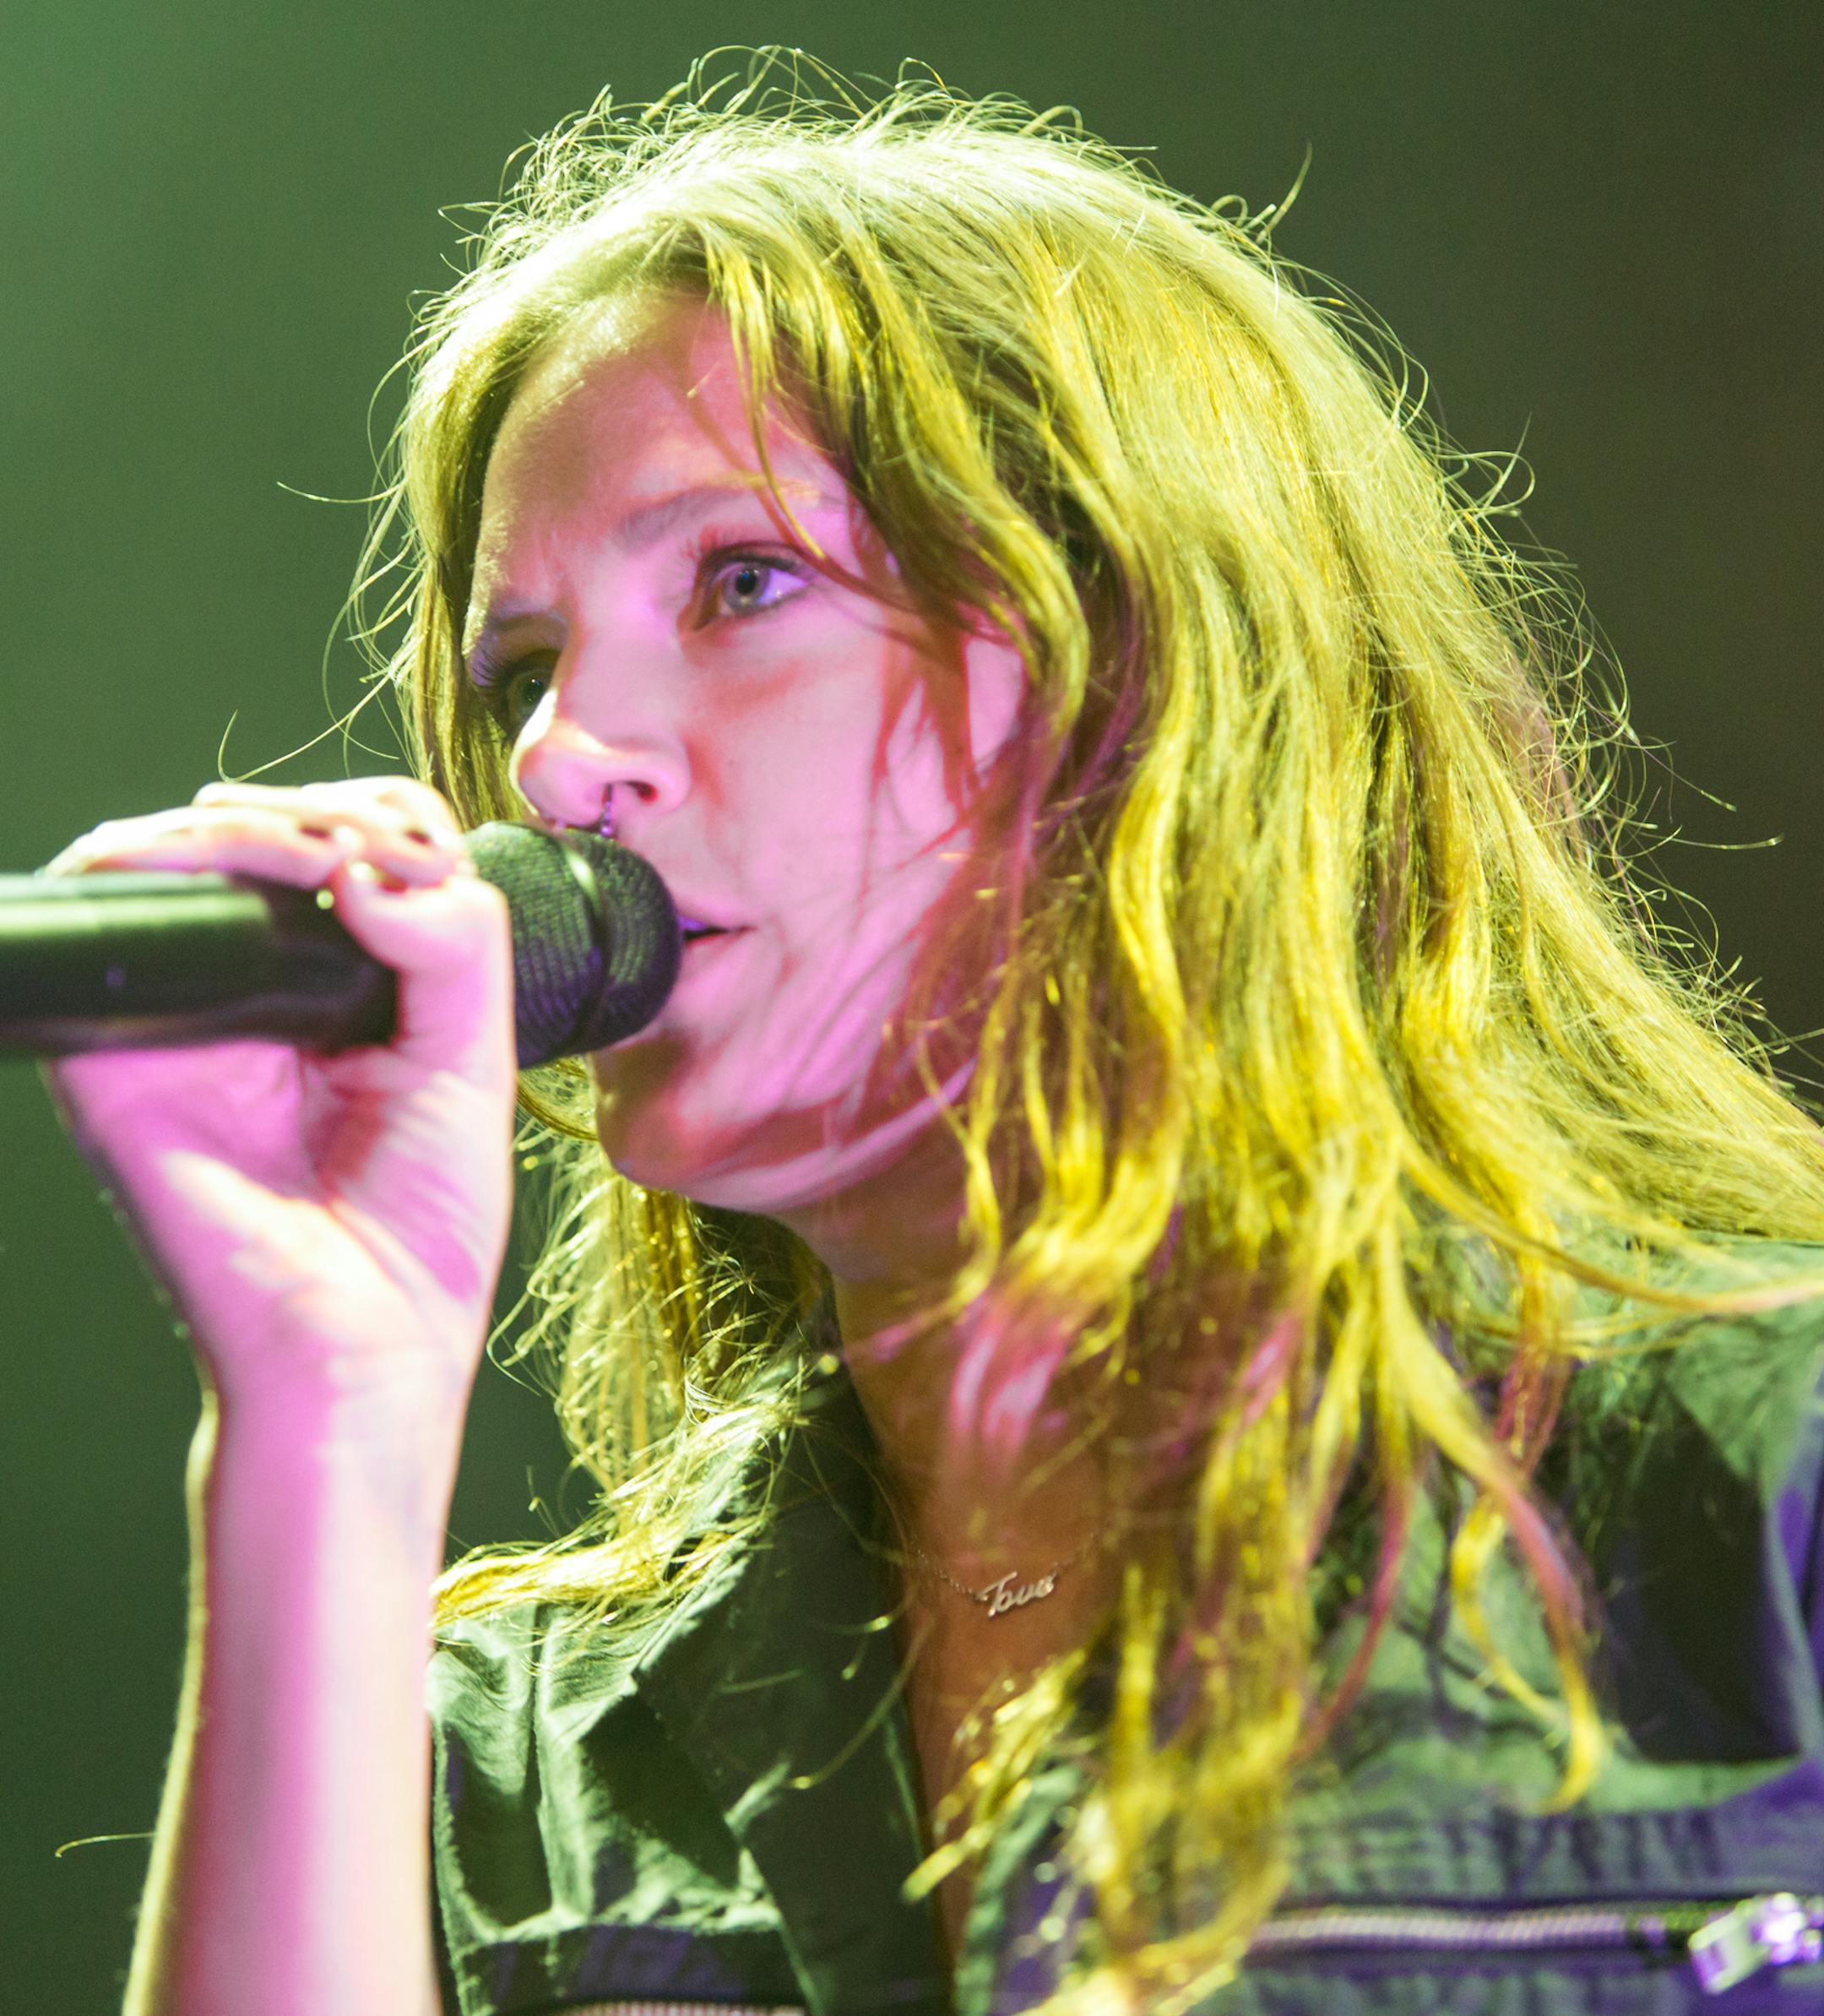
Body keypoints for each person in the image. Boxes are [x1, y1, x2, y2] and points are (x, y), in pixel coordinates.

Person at [41, 51, 1824, 2016]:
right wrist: (325, 1422)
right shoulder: (527, 1766)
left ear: (1146, 674)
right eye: (525, 668)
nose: (552, 765)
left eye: (740, 582)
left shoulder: (1759, 1496)